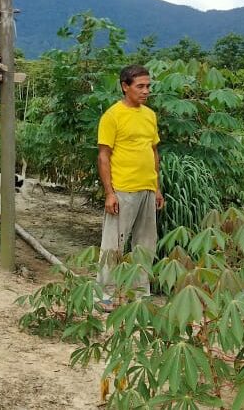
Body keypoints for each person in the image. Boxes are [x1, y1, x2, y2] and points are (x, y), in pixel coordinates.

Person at [96, 64, 164, 311]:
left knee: (145, 244)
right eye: (140, 86)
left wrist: (156, 187)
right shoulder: (112, 116)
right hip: (123, 189)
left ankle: (138, 296)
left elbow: (153, 151)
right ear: (125, 87)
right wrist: (109, 193)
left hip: (147, 188)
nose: (146, 91)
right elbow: (104, 156)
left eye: (148, 86)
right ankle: (106, 295)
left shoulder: (149, 115)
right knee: (113, 244)